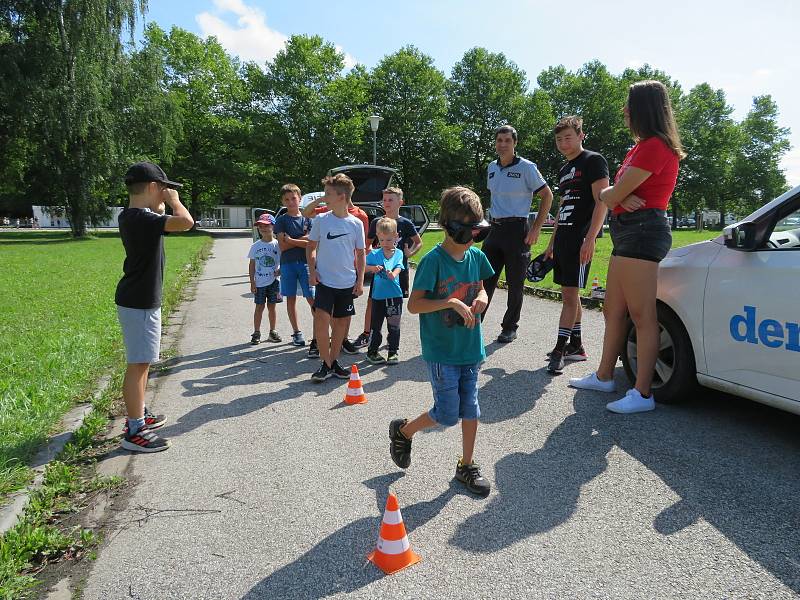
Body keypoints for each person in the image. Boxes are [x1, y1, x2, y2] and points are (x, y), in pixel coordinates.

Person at [569, 80, 684, 414]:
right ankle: (605, 376)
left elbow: (607, 195)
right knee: (613, 309)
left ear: (644, 108)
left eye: (629, 105)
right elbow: (612, 194)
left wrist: (614, 193)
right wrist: (615, 194)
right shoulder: (641, 147)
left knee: (641, 314)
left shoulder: (655, 146)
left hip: (644, 230)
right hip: (629, 231)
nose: (624, 111)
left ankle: (643, 393)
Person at [388, 186, 494, 497]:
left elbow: (484, 288)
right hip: (442, 351)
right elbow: (415, 305)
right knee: (447, 414)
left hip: (471, 348)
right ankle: (404, 431)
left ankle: (467, 465)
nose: (472, 236)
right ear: (449, 226)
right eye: (467, 229)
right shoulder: (434, 260)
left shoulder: (476, 255)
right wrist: (449, 302)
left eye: (477, 228)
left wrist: (482, 301)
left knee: (471, 408)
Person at [115, 161, 193, 452]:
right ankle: (134, 430)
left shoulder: (135, 216)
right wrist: (175, 200)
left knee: (143, 360)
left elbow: (159, 215)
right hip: (139, 301)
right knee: (138, 364)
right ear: (151, 188)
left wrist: (161, 200)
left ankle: (140, 410)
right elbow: (185, 222)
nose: (166, 193)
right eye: (162, 188)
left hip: (139, 298)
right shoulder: (141, 219)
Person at [544, 116, 610, 374]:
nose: (563, 142)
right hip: (563, 239)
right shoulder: (563, 170)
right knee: (569, 295)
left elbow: (602, 201)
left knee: (570, 297)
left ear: (581, 135)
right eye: (559, 139)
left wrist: (591, 238)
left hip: (581, 239)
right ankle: (577, 346)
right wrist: (551, 241)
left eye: (568, 137)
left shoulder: (594, 161)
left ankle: (560, 349)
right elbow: (562, 208)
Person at [483, 124, 553, 343]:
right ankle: (474, 322)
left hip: (517, 231)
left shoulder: (527, 167)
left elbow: (547, 196)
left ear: (515, 143)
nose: (503, 144)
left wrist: (536, 228)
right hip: (494, 230)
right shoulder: (491, 167)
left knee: (515, 283)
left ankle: (510, 327)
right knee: (484, 279)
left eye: (507, 141)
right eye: (499, 140)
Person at [306, 174, 366, 381]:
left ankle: (332, 363)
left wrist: (359, 281)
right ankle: (326, 363)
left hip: (347, 282)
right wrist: (312, 272)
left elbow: (360, 253)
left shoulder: (356, 223)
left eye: (328, 194)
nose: (325, 197)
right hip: (324, 281)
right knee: (321, 319)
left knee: (341, 323)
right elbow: (311, 247)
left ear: (341, 197)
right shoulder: (321, 220)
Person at [353, 187, 422, 348]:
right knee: (373, 302)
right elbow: (367, 245)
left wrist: (410, 253)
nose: (386, 203)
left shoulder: (405, 223)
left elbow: (419, 242)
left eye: (391, 200)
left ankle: (393, 335)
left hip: (398, 273)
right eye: (384, 200)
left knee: (395, 304)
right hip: (380, 274)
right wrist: (370, 256)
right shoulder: (377, 222)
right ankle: (367, 333)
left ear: (401, 202)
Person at [273, 184, 318, 357]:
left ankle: (318, 332)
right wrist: (300, 240)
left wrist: (291, 239)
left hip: (306, 264)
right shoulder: (282, 220)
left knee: (311, 298)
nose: (291, 202)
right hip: (287, 264)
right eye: (287, 199)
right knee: (290, 298)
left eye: (293, 198)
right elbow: (282, 246)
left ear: (300, 199)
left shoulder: (308, 220)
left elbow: (312, 243)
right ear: (282, 201)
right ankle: (296, 332)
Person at [365, 217, 405, 365]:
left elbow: (399, 267)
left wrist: (392, 275)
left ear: (395, 236)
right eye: (381, 240)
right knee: (376, 326)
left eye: (388, 240)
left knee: (394, 326)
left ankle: (393, 352)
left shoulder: (399, 253)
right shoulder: (375, 254)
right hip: (378, 297)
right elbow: (362, 266)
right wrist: (372, 269)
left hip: (395, 295)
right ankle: (372, 352)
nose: (385, 244)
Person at [248, 213, 282, 345]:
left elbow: (283, 259)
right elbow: (252, 264)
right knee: (259, 307)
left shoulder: (278, 244)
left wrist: (281, 270)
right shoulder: (255, 246)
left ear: (273, 226)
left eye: (267, 226)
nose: (263, 228)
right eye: (260, 226)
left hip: (274, 281)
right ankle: (256, 332)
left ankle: (272, 331)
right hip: (260, 282)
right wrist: (252, 281)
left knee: (272, 307)